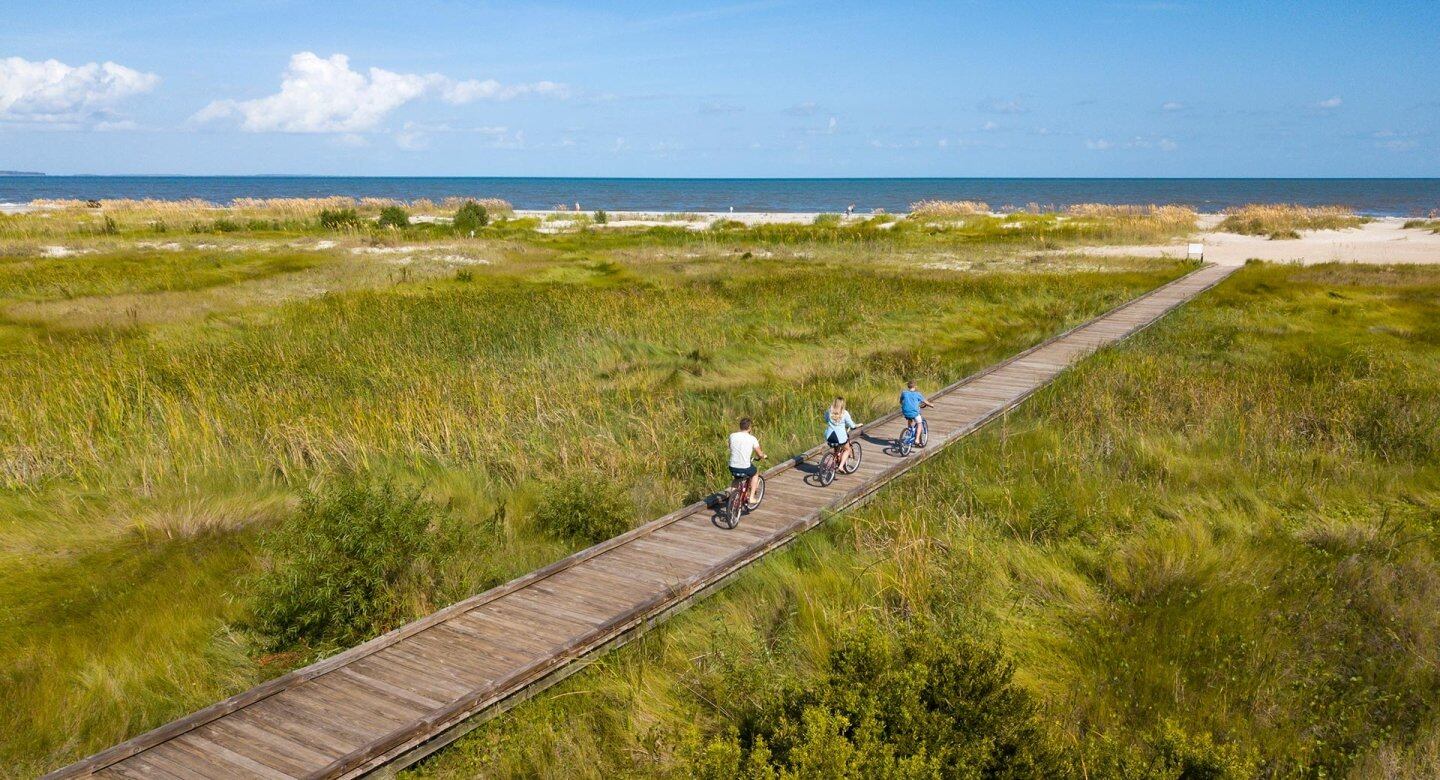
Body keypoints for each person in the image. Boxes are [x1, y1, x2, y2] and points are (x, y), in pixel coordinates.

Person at [728, 417, 766, 500]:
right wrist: (763, 456)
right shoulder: (752, 439)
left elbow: (731, 448)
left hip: (732, 466)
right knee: (755, 473)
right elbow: (759, 454)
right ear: (749, 427)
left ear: (740, 426)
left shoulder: (732, 435)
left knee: (737, 479)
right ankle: (751, 498)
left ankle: (733, 498)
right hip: (744, 467)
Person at [824, 397, 857, 474]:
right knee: (847, 449)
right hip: (840, 438)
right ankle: (841, 466)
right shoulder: (844, 413)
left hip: (829, 437)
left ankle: (835, 458)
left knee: (836, 447)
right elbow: (851, 424)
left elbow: (826, 419)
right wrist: (855, 426)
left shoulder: (829, 411)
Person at [899, 380, 932, 445]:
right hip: (914, 413)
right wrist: (931, 405)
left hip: (905, 412)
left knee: (910, 419)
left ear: (908, 386)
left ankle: (909, 431)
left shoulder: (904, 393)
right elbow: (925, 401)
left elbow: (900, 401)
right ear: (915, 386)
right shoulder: (917, 394)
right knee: (919, 423)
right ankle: (917, 439)